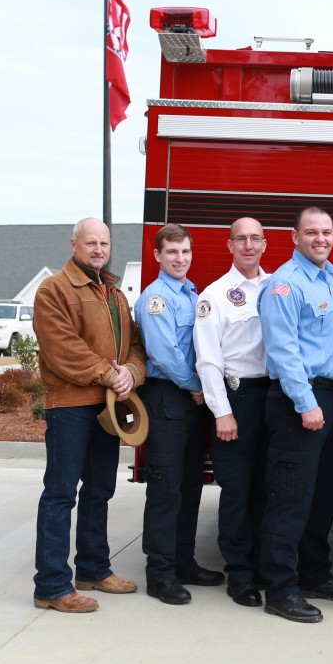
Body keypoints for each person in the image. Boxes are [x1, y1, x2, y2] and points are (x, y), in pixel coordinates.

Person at [32, 217, 147, 613]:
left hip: (107, 406)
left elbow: (134, 343)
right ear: (74, 244)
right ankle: (50, 586)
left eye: (104, 243)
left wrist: (131, 372)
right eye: (90, 243)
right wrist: (110, 374)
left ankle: (93, 569)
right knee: (61, 493)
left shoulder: (113, 293)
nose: (98, 249)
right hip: (69, 406)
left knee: (101, 490)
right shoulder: (54, 290)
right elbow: (62, 349)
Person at [258, 207, 333, 623]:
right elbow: (283, 350)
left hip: (326, 400)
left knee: (322, 496)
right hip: (300, 402)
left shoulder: (329, 281)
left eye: (327, 232)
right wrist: (306, 403)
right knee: (290, 497)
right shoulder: (285, 284)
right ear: (294, 237)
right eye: (311, 232)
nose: (320, 238)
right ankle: (280, 587)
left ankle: (314, 573)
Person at [133, 223, 224, 605]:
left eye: (185, 252)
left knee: (189, 485)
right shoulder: (156, 298)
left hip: (190, 402)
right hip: (169, 398)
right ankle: (160, 573)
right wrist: (196, 386)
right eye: (172, 252)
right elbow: (165, 354)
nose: (180, 259)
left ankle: (184, 561)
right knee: (166, 488)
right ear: (157, 256)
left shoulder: (190, 294)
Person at [193, 217, 272, 609]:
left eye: (254, 238)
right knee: (238, 489)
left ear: (265, 244)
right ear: (229, 246)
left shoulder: (278, 286)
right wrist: (221, 413)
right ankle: (239, 573)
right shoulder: (215, 295)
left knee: (267, 487)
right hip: (237, 398)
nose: (248, 245)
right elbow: (208, 361)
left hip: (273, 398)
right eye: (240, 239)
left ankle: (261, 565)